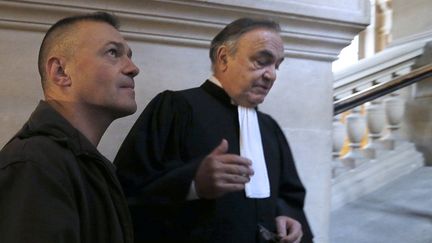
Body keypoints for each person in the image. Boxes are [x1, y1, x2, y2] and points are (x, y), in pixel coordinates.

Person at [115, 18, 313, 243]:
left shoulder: (269, 128)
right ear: (223, 58)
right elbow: (126, 192)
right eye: (262, 61)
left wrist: (288, 217)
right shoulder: (176, 108)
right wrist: (193, 184)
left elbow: (289, 196)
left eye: (276, 65)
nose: (272, 75)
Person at [0, 12, 140, 243]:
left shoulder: (84, 164)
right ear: (61, 72)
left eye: (130, 56)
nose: (133, 68)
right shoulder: (35, 163)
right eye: (113, 52)